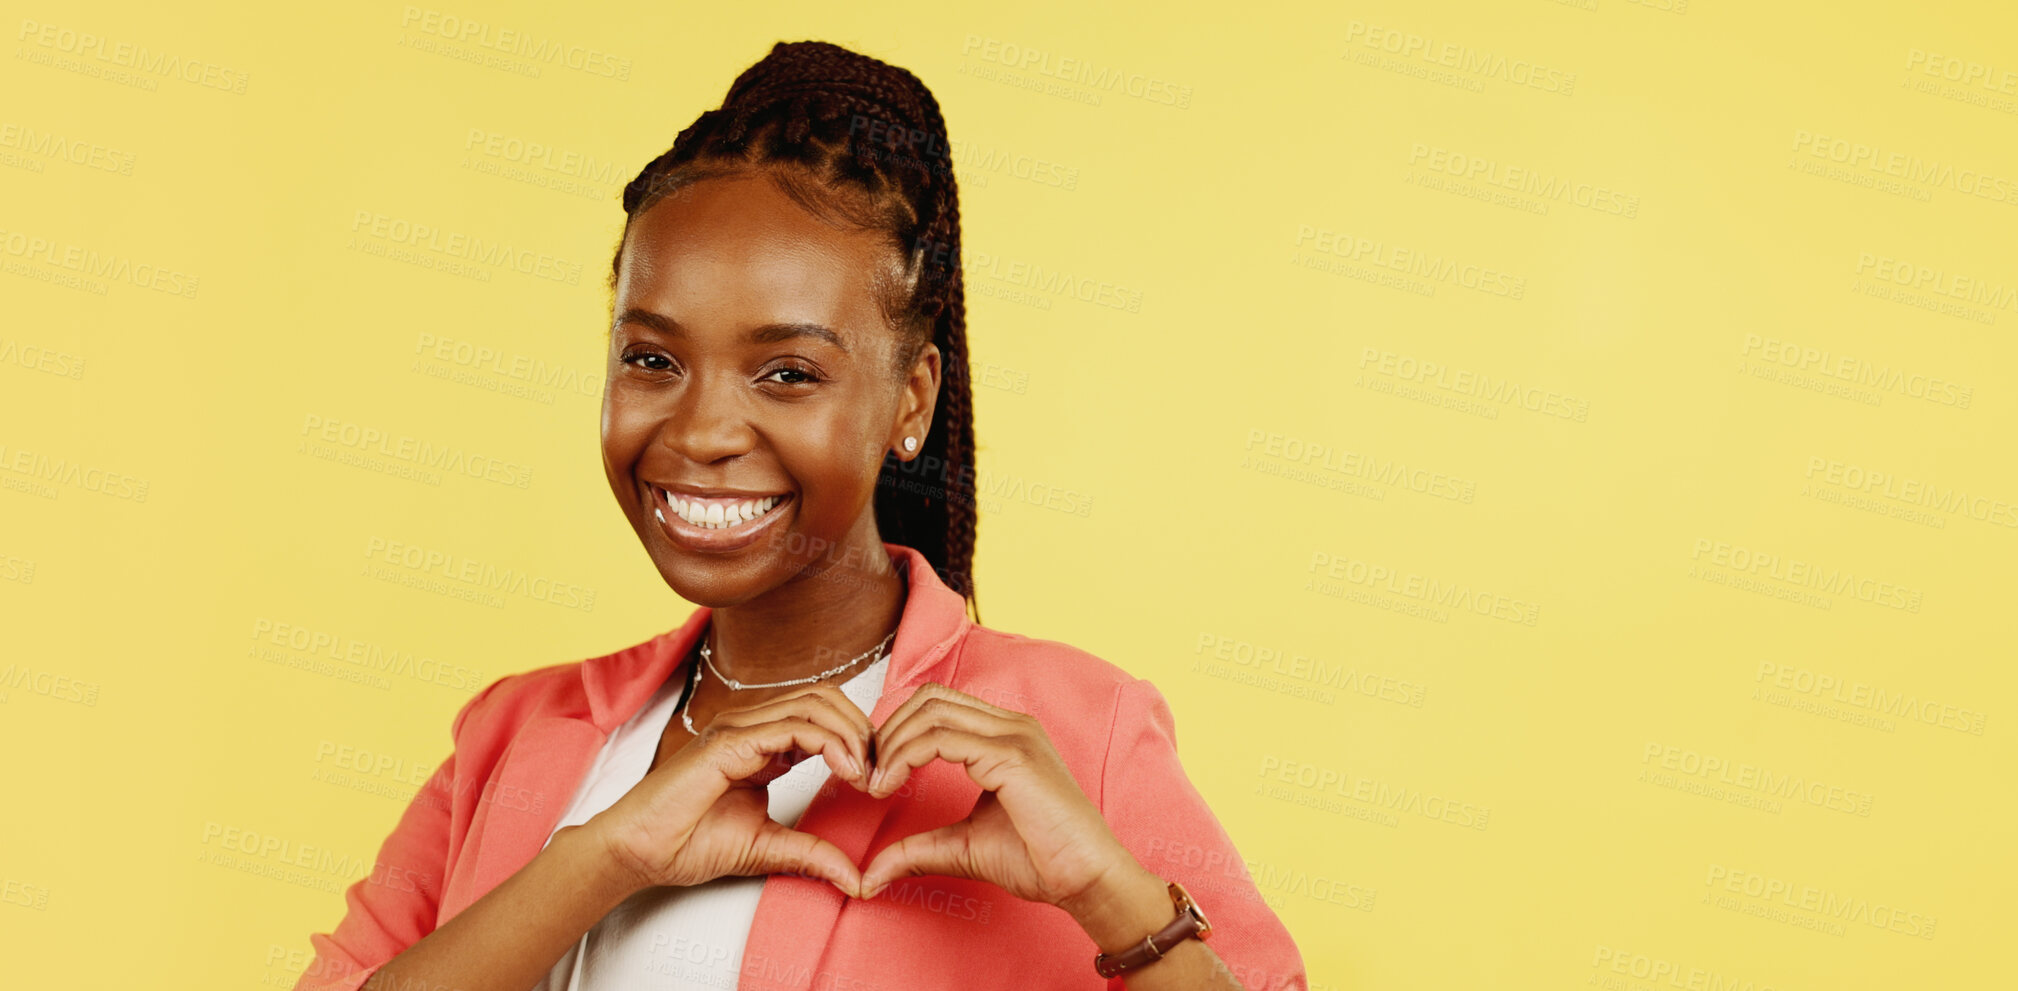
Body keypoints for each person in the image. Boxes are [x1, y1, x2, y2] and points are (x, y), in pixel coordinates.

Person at [294, 39, 1307, 991]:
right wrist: (602, 857)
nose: (700, 431)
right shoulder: (513, 732)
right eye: (651, 358)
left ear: (909, 400)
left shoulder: (1075, 730)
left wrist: (1111, 894)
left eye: (786, 372)